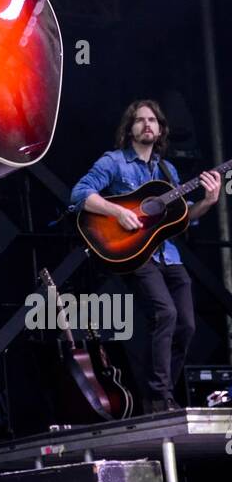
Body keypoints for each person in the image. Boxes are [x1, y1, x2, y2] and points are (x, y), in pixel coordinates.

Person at [69, 100, 221, 413]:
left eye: (153, 120)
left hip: (169, 254)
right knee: (165, 313)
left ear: (161, 129)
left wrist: (207, 201)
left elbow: (184, 218)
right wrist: (117, 213)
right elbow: (79, 194)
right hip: (138, 254)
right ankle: (159, 396)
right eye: (140, 120)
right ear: (129, 128)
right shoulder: (114, 162)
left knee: (188, 325)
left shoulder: (167, 170)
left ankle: (159, 392)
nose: (147, 125)